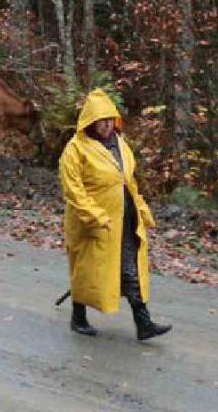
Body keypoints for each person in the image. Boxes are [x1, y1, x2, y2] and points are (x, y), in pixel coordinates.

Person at [58, 89, 172, 340]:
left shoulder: (120, 144)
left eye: (111, 119)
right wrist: (96, 215)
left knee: (129, 267)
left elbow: (128, 182)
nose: (107, 125)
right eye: (102, 120)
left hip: (124, 217)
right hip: (93, 222)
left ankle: (144, 323)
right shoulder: (75, 150)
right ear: (91, 121)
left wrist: (141, 209)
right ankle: (78, 317)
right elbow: (73, 190)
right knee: (86, 270)